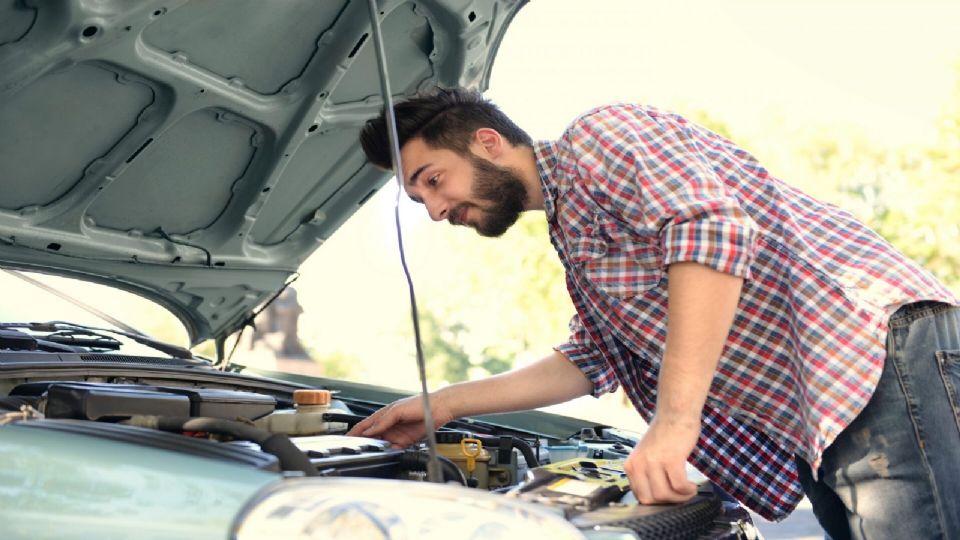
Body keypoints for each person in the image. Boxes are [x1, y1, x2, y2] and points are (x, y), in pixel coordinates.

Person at [347, 88, 960, 538]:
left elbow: (710, 233)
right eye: (419, 196)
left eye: (433, 180)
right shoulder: (573, 235)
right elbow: (589, 361)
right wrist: (444, 404)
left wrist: (672, 423)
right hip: (816, 405)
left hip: (870, 354)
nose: (433, 210)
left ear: (487, 143)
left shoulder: (601, 137)